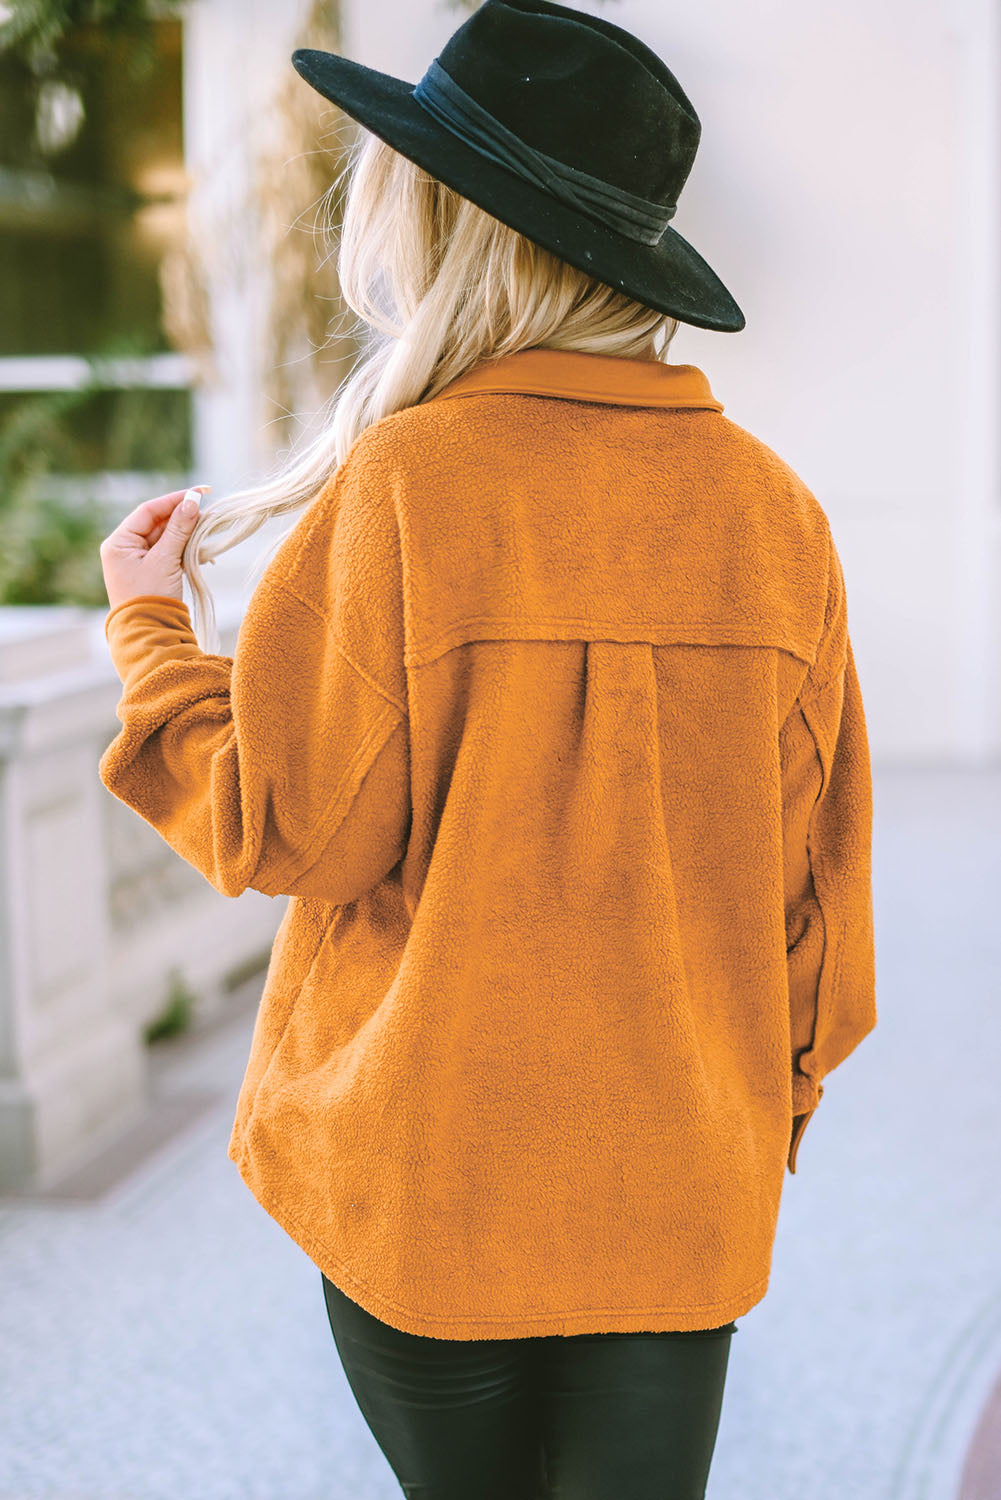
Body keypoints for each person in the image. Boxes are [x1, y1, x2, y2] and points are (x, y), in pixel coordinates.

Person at [97, 2, 878, 1496]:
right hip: (677, 1189)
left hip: (430, 1182)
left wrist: (151, 632)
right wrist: (735, 1119)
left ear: (449, 224)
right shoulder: (774, 516)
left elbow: (285, 828)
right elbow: (820, 915)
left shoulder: (405, 487)